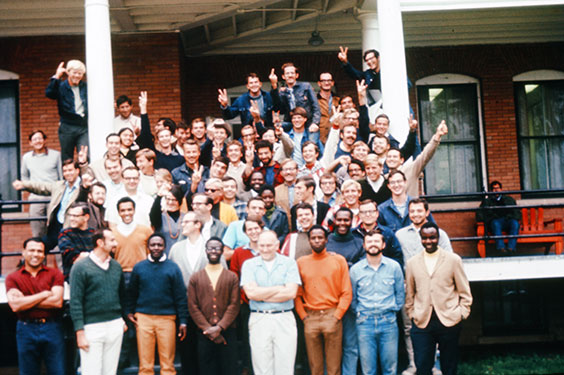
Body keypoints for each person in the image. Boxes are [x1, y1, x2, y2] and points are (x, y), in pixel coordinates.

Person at [405, 222, 472, 375]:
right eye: (425, 238)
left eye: (432, 238)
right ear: (420, 239)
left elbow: (464, 291)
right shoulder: (412, 263)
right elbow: (410, 293)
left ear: (438, 238)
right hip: (422, 321)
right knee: (422, 365)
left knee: (449, 365)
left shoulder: (453, 260)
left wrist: (462, 313)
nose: (429, 241)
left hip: (448, 319)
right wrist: (412, 313)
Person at [395, 198, 452, 375]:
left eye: (419, 211)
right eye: (412, 211)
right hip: (411, 288)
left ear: (427, 212)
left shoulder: (439, 234)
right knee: (409, 327)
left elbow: (448, 259)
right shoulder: (400, 235)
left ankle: (435, 365)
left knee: (434, 325)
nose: (416, 214)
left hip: (434, 289)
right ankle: (414, 364)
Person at [170, 212, 227, 375]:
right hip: (185, 309)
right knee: (187, 353)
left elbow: (223, 276)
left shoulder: (210, 247)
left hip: (208, 310)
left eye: (186, 222)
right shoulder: (176, 248)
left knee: (207, 355)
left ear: (197, 224)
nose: (182, 225)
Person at [240, 230, 302, 375]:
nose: (265, 249)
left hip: (284, 317)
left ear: (277, 245)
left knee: (285, 366)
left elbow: (291, 293)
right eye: (261, 245)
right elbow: (251, 294)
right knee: (262, 367)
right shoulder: (249, 265)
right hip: (259, 318)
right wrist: (278, 288)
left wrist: (261, 293)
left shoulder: (289, 263)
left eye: (269, 245)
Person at [126, 233, 188, 375]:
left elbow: (180, 296)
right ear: (148, 247)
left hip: (167, 319)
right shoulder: (139, 267)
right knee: (145, 364)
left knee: (167, 364)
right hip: (143, 318)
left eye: (159, 245)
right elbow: (132, 292)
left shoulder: (173, 268)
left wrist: (183, 320)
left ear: (165, 247)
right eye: (153, 245)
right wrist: (129, 311)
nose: (156, 248)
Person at [295, 225, 352, 375]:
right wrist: (304, 316)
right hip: (310, 317)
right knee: (315, 367)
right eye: (313, 238)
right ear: (309, 241)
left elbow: (346, 292)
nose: (317, 241)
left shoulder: (338, 260)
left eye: (320, 237)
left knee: (334, 367)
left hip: (332, 315)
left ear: (327, 240)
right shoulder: (301, 262)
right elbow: (297, 294)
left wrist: (337, 316)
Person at [69, 229, 126, 375]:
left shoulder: (116, 266)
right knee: (91, 371)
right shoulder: (80, 267)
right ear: (100, 243)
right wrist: (79, 332)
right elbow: (75, 301)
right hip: (91, 327)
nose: (116, 243)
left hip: (115, 325)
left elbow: (121, 295)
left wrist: (122, 320)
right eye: (112, 240)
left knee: (110, 372)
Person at [6, 237, 65, 375]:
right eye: (31, 250)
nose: (36, 254)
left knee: (58, 371)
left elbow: (57, 302)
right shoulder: (13, 278)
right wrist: (44, 294)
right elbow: (15, 306)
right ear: (23, 252)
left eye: (39, 251)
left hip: (52, 328)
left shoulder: (54, 274)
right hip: (26, 329)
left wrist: (25, 301)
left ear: (44, 255)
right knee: (28, 372)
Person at [350, 230, 405, 375]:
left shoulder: (394, 267)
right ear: (364, 245)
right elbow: (352, 297)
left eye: (376, 241)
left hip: (388, 322)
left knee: (390, 368)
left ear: (383, 245)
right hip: (364, 323)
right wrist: (360, 313)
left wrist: (393, 309)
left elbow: (400, 294)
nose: (373, 244)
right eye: (369, 242)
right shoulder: (355, 270)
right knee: (368, 369)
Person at [188, 237, 241, 375]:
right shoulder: (195, 277)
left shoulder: (232, 277)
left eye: (217, 248)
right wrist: (208, 329)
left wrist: (220, 327)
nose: (213, 251)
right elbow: (193, 306)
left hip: (227, 332)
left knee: (229, 369)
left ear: (222, 251)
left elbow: (234, 304)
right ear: (205, 251)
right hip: (203, 333)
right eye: (210, 248)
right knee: (207, 369)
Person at [325, 207, 364, 375]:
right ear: (334, 220)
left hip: (351, 299)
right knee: (330, 345)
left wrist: (341, 264)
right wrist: (347, 265)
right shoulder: (327, 241)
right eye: (339, 220)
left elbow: (362, 269)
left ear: (352, 221)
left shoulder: (358, 242)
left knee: (351, 345)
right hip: (330, 300)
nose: (342, 223)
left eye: (346, 220)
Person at [13, 158, 82, 251]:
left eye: (70, 170)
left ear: (77, 171)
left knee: (68, 255)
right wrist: (24, 184)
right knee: (39, 247)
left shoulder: (83, 188)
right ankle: (26, 263)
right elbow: (41, 186)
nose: (67, 173)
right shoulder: (59, 185)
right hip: (55, 227)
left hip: (71, 229)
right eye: (65, 171)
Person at [21, 130, 62, 237]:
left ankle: (59, 254)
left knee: (56, 230)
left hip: (53, 198)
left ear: (44, 140)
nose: (37, 141)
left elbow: (61, 178)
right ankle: (39, 253)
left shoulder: (56, 155)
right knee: (37, 232)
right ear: (30, 142)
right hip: (36, 199)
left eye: (40, 138)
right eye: (34, 139)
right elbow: (24, 177)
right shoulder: (26, 157)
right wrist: (31, 189)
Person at [45, 60, 88, 160]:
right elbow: (49, 94)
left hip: (82, 127)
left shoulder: (85, 87)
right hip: (67, 126)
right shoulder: (61, 86)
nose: (77, 75)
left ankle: (85, 175)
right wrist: (57, 76)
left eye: (80, 73)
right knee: (67, 158)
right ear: (68, 72)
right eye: (74, 72)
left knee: (84, 155)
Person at [269, 63, 321, 129]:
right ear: (283, 76)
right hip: (291, 123)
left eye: (292, 73)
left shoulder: (306, 86)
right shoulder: (283, 92)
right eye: (287, 73)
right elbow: (279, 109)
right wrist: (274, 85)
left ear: (297, 75)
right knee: (276, 129)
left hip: (308, 123)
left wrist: (315, 123)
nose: (290, 75)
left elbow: (316, 106)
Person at [476, 180, 521, 254]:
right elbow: (480, 214)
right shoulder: (487, 201)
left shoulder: (509, 199)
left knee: (515, 224)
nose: (496, 190)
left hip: (508, 220)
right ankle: (501, 249)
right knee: (495, 223)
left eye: (498, 188)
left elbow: (516, 212)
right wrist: (490, 219)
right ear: (491, 190)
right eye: (494, 188)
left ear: (501, 189)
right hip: (496, 222)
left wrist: (511, 217)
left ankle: (511, 249)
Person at [111, 197, 153, 274]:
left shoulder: (146, 230)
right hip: (120, 274)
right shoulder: (112, 233)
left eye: (129, 209)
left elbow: (151, 254)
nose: (126, 213)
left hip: (142, 272)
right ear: (118, 213)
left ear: (134, 210)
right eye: (123, 210)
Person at [58, 202, 96, 279]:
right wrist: (95, 257)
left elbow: (104, 256)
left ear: (86, 217)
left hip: (95, 278)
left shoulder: (95, 233)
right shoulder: (65, 234)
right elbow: (73, 258)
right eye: (70, 215)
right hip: (74, 278)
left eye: (75, 216)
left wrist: (84, 255)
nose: (71, 219)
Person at [149, 184, 185, 255]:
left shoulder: (186, 217)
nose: (170, 202)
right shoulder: (161, 217)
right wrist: (159, 196)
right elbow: (153, 215)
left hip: (182, 257)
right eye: (168, 199)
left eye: (174, 200)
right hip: (164, 257)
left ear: (179, 200)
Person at [317, 72, 340, 143]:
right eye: (323, 81)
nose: (326, 83)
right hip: (319, 136)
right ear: (319, 83)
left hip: (335, 135)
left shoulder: (338, 100)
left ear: (332, 83)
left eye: (329, 80)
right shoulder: (314, 100)